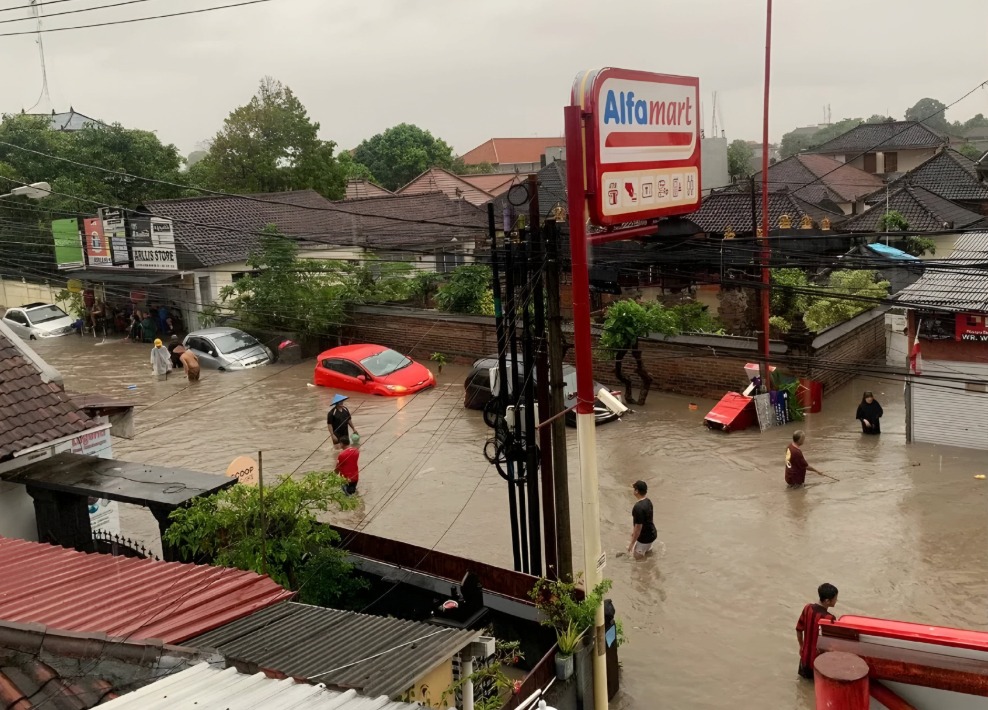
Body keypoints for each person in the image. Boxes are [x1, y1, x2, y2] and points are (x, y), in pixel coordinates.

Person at [796, 582, 839, 680]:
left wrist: (801, 646)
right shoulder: (829, 618)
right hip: (818, 663)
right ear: (827, 601)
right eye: (835, 598)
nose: (836, 600)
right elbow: (830, 644)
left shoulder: (807, 608)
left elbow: (798, 629)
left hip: (804, 659)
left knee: (802, 683)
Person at [627, 480, 658, 559]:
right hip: (652, 534)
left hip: (644, 539)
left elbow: (638, 527)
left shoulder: (638, 507)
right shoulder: (648, 501)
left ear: (637, 491)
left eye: (634, 489)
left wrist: (632, 544)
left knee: (637, 561)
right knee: (648, 557)